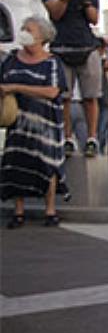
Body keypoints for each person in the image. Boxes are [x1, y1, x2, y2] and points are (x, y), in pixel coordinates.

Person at [1, 17, 69, 227]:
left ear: (42, 36)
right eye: (23, 28)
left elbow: (53, 91)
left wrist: (16, 87)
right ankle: (18, 211)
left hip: (46, 123)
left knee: (48, 165)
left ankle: (50, 210)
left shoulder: (52, 62)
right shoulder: (11, 59)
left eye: (29, 30)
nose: (24, 32)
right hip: (18, 122)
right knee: (17, 163)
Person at [41, 0, 102, 156]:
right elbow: (55, 13)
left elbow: (94, 19)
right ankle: (67, 138)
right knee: (64, 97)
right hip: (61, 47)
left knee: (91, 96)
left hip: (86, 46)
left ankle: (92, 138)